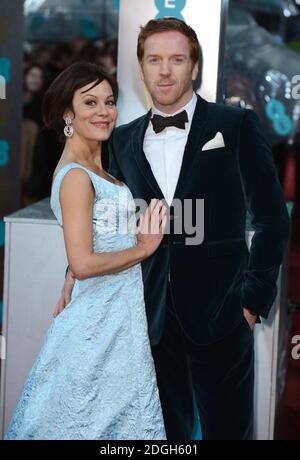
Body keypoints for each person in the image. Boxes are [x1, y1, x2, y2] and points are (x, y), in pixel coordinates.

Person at [57, 18, 290, 440]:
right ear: (141, 68)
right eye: (154, 60)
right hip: (149, 321)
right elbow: (103, 222)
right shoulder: (121, 140)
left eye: (176, 60)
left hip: (223, 318)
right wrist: (72, 273)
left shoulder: (235, 126)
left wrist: (251, 304)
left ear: (194, 67)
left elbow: (273, 220)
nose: (165, 71)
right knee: (161, 437)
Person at [5, 62, 167, 440]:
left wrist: (71, 272)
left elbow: (86, 248)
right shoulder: (77, 175)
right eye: (90, 102)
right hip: (96, 329)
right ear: (68, 113)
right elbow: (83, 260)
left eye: (109, 102)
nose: (103, 112)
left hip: (117, 318)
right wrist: (143, 248)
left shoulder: (99, 165)